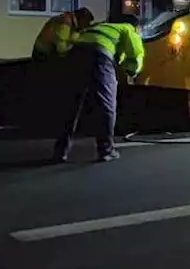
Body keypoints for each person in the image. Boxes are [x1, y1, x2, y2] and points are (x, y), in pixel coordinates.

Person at [54, 15, 144, 163]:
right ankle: (106, 151)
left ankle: (60, 151)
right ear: (136, 26)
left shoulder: (101, 26)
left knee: (72, 105)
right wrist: (132, 71)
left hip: (75, 55)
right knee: (106, 104)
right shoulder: (128, 29)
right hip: (100, 56)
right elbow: (135, 54)